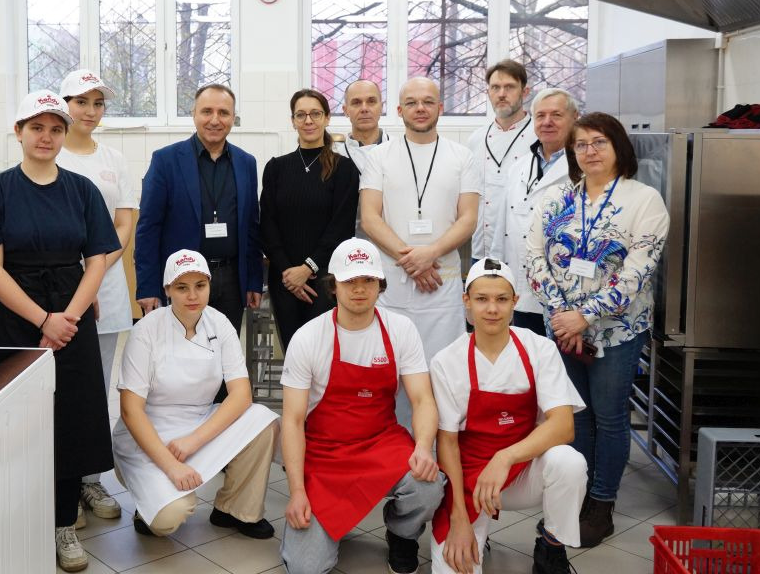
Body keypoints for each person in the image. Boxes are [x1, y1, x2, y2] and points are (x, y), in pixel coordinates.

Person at [0, 90, 121, 573]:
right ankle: (17, 517)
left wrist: (67, 319)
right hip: (17, 318)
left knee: (72, 421)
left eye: (55, 129)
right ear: (18, 132)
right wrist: (42, 320)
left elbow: (97, 260)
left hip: (71, 316)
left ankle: (62, 524)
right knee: (20, 423)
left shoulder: (81, 190)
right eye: (36, 127)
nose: (46, 137)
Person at [526, 112, 670, 547]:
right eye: (581, 144)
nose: (589, 151)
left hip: (616, 332)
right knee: (576, 414)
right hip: (562, 329)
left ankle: (602, 504)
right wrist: (561, 315)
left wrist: (584, 317)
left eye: (599, 142)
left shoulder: (644, 200)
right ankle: (578, 493)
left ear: (618, 147)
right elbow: (534, 258)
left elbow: (636, 273)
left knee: (608, 417)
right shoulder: (556, 199)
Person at [280, 238, 444, 574]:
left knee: (428, 485)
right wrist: (296, 491)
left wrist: (423, 448)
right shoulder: (308, 337)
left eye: (368, 280)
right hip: (325, 453)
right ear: (333, 285)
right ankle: (326, 526)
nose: (359, 289)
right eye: (349, 281)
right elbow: (293, 421)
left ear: (380, 284)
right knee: (305, 567)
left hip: (380, 442)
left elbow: (423, 399)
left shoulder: (400, 329)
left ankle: (402, 533)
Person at [429, 259, 587, 574]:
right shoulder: (446, 361)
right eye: (482, 299)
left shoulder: (539, 349)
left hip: (523, 470)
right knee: (454, 567)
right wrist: (458, 518)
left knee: (569, 463)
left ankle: (551, 546)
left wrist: (505, 457)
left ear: (515, 301)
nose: (492, 309)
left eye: (502, 299)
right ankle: (476, 528)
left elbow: (563, 426)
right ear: (466, 301)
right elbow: (447, 443)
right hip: (470, 480)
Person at [113, 249, 279, 538]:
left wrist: (193, 441)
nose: (192, 296)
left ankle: (235, 509)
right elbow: (130, 410)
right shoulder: (147, 330)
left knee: (263, 421)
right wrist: (171, 466)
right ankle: (148, 504)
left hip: (197, 425)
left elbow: (241, 395)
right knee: (167, 518)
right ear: (167, 290)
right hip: (149, 435)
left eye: (200, 286)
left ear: (210, 286)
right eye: (182, 288)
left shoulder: (219, 323)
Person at [360, 77, 479, 423]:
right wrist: (412, 259)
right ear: (399, 111)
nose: (420, 108)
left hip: (442, 282)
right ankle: (396, 446)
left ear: (440, 107)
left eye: (428, 101)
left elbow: (468, 218)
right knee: (391, 374)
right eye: (411, 103)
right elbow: (370, 218)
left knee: (443, 373)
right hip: (394, 284)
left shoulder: (462, 156)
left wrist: (430, 254)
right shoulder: (379, 156)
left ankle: (442, 445)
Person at [57, 68, 137, 525]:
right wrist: (77, 278)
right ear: (64, 104)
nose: (90, 111)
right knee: (60, 387)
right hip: (57, 287)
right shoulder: (51, 153)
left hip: (105, 281)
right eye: (81, 101)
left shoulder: (115, 159)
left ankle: (90, 478)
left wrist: (96, 271)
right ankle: (60, 483)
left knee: (96, 387)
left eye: (98, 102)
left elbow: (124, 224)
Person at [135, 83, 262, 334]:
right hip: (183, 281)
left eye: (223, 113)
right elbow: (148, 228)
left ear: (233, 118)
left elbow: (251, 228)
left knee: (224, 350)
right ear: (194, 114)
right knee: (181, 350)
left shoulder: (246, 163)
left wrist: (253, 280)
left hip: (231, 279)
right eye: (207, 111)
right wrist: (148, 286)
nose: (215, 120)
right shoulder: (166, 161)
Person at [260, 89, 360, 350]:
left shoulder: (343, 169)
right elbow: (267, 225)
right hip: (284, 280)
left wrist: (307, 268)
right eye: (301, 115)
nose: (308, 121)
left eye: (315, 114)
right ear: (293, 121)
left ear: (327, 118)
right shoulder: (276, 168)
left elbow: (341, 228)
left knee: (323, 353)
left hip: (325, 279)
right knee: (293, 352)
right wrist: (288, 273)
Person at [490, 88, 579, 332]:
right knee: (526, 353)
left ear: (575, 118)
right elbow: (502, 227)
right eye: (540, 115)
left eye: (556, 115)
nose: (547, 122)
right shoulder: (518, 167)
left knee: (561, 356)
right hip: (520, 288)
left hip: (567, 296)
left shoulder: (584, 167)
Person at [466, 60, 537, 262]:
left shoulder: (539, 136)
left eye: (510, 87)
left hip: (524, 250)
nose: (501, 94)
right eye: (495, 87)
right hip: (482, 248)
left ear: (525, 92)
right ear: (488, 92)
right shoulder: (476, 139)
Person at [333, 79, 390, 238]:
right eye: (356, 102)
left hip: (393, 242)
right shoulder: (333, 156)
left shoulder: (399, 151)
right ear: (345, 110)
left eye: (371, 101)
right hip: (345, 243)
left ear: (381, 107)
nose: (364, 108)